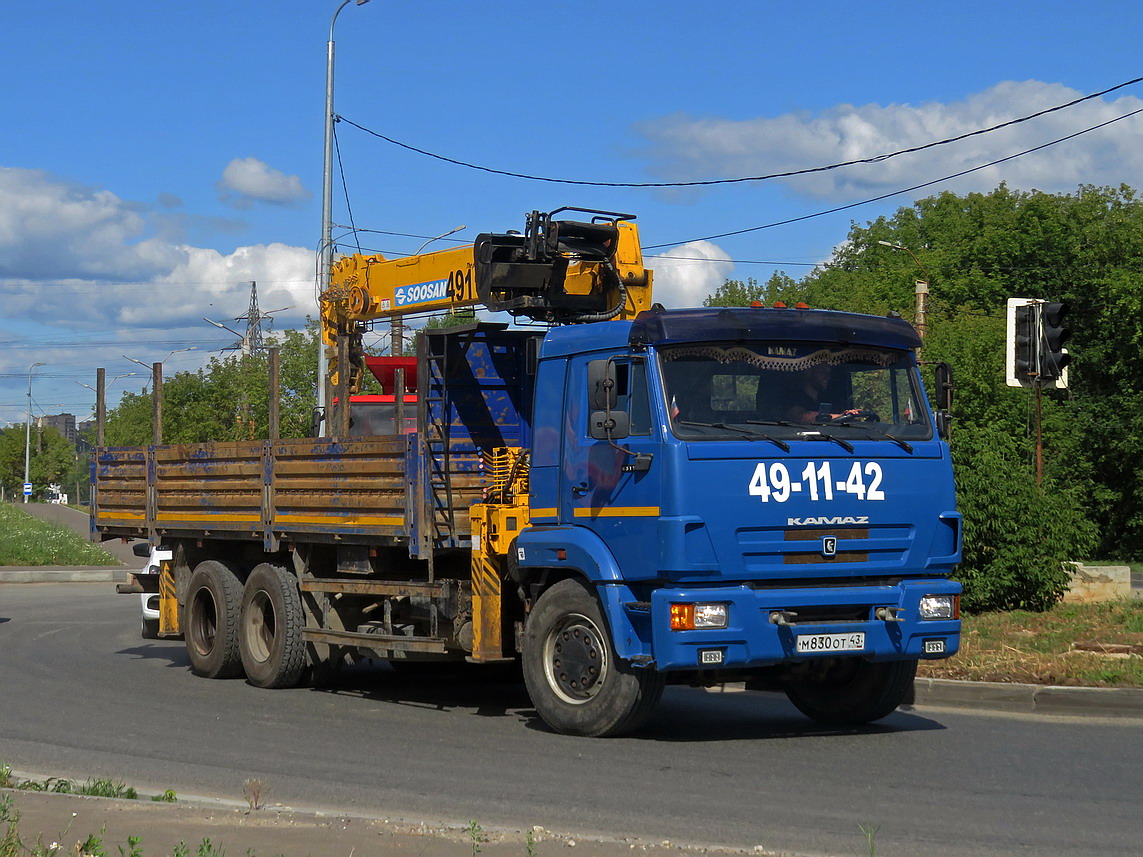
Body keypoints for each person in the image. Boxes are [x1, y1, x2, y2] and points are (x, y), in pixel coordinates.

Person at [786, 363, 860, 424]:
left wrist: (851, 415)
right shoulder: (794, 397)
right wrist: (840, 416)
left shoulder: (829, 398)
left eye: (828, 373)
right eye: (822, 372)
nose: (827, 377)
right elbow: (800, 416)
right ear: (808, 372)